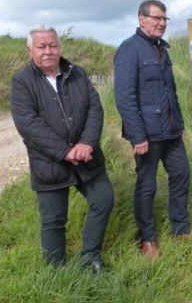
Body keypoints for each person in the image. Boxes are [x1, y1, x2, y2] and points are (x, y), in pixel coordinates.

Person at [10, 26, 114, 272]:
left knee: (103, 200)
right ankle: (56, 271)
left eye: (53, 45)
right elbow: (28, 124)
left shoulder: (77, 73)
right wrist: (64, 151)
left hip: (86, 156)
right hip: (50, 161)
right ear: (30, 50)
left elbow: (95, 109)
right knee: (54, 219)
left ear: (59, 47)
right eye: (41, 46)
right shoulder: (22, 82)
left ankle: (89, 258)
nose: (48, 51)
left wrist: (87, 143)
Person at [114, 0, 191, 258]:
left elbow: (171, 93)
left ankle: (180, 229)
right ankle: (147, 239)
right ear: (141, 18)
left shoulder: (162, 50)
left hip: (170, 131)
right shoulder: (129, 50)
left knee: (181, 175)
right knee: (147, 186)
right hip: (147, 135)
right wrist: (137, 135)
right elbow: (125, 98)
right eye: (156, 18)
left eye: (164, 19)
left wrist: (178, 123)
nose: (161, 23)